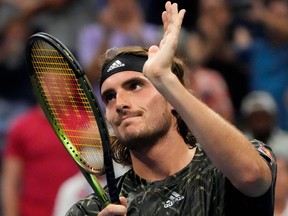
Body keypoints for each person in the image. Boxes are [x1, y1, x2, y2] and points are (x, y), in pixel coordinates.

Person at [66, 2, 276, 215]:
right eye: (109, 97)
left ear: (172, 97)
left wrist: (163, 77)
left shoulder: (226, 169)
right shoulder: (90, 211)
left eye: (135, 85)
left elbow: (251, 176)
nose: (119, 103)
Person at [1, 105, 79, 216]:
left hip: (74, 211)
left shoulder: (86, 125)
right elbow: (10, 182)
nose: (51, 87)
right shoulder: (21, 126)